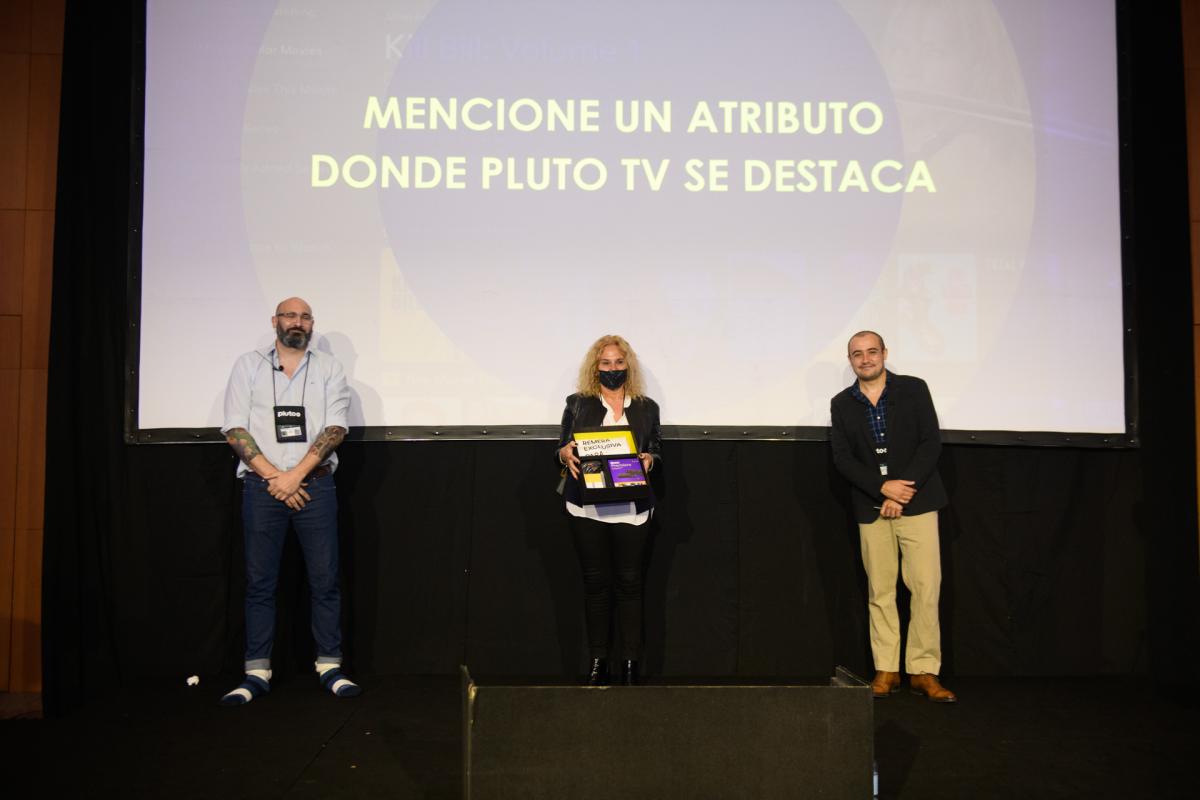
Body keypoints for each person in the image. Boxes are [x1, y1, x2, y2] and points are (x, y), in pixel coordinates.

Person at [218, 297, 361, 705]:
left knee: (325, 580)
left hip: (314, 486)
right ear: (275, 321)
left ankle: (329, 666)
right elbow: (235, 429)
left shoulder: (329, 367)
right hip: (262, 488)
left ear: (312, 324)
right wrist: (275, 477)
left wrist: (294, 476)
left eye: (304, 317)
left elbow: (336, 428)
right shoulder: (248, 366)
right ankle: (256, 671)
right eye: (289, 315)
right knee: (260, 582)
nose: (297, 322)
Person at [830, 331, 956, 703]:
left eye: (872, 351)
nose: (865, 359)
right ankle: (886, 669)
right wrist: (883, 488)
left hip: (918, 502)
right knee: (880, 591)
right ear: (850, 360)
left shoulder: (914, 389)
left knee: (925, 588)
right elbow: (843, 459)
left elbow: (930, 442)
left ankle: (923, 670)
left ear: (884, 353)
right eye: (857, 354)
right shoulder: (842, 403)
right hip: (871, 506)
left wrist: (903, 489)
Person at [556, 335, 662, 686]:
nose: (613, 368)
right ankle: (598, 661)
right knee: (595, 585)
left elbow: (656, 449)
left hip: (632, 508)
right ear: (595, 367)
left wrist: (650, 459)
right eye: (605, 363)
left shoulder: (646, 407)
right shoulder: (577, 404)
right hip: (586, 509)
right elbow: (562, 447)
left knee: (630, 584)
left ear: (628, 365)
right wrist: (564, 453)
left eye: (618, 362)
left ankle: (630, 663)